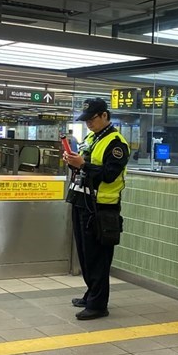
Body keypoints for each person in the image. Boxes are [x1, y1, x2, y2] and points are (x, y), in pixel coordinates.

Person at [65, 98, 129, 321]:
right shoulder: (92, 137)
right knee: (84, 254)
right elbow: (87, 166)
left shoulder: (116, 143)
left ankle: (98, 304)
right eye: (86, 120)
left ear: (104, 115)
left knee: (98, 257)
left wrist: (82, 164)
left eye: (92, 119)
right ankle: (91, 293)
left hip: (102, 207)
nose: (89, 124)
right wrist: (74, 161)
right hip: (83, 202)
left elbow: (109, 175)